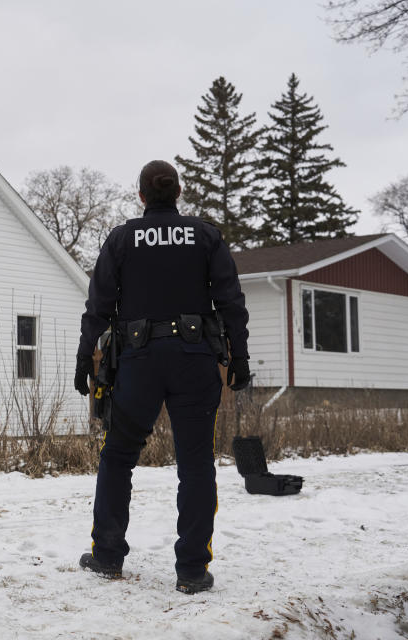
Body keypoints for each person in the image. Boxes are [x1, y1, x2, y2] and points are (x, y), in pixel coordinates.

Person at [73, 159, 251, 594]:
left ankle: (107, 555)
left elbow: (98, 304)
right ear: (178, 193)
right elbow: (231, 301)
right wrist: (240, 356)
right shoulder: (205, 236)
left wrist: (85, 356)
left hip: (138, 362)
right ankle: (191, 570)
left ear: (141, 196)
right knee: (195, 464)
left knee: (117, 456)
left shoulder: (122, 238)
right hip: (194, 360)